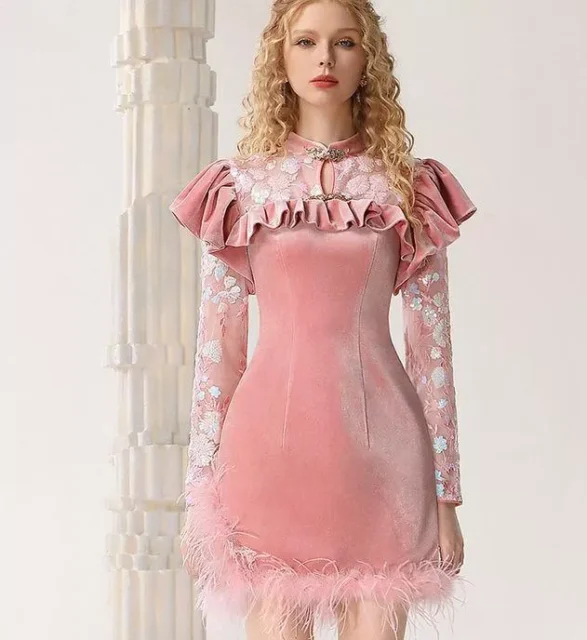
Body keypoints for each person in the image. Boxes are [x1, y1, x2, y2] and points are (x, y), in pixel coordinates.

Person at [169, 1, 478, 639]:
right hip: (267, 453)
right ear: (279, 57)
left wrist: (447, 494)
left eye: (345, 42)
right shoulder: (240, 187)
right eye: (306, 42)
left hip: (383, 458)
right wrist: (200, 496)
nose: (325, 59)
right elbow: (217, 351)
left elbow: (432, 353)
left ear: (369, 59)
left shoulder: (408, 188)